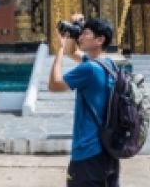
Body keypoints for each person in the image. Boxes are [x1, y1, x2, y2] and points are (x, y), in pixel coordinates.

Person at [48, 14, 119, 187]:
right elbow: (73, 52)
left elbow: (54, 85)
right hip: (108, 152)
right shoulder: (109, 65)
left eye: (85, 33)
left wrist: (59, 49)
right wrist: (74, 30)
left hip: (87, 153)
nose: (80, 37)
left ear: (99, 39)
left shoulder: (90, 69)